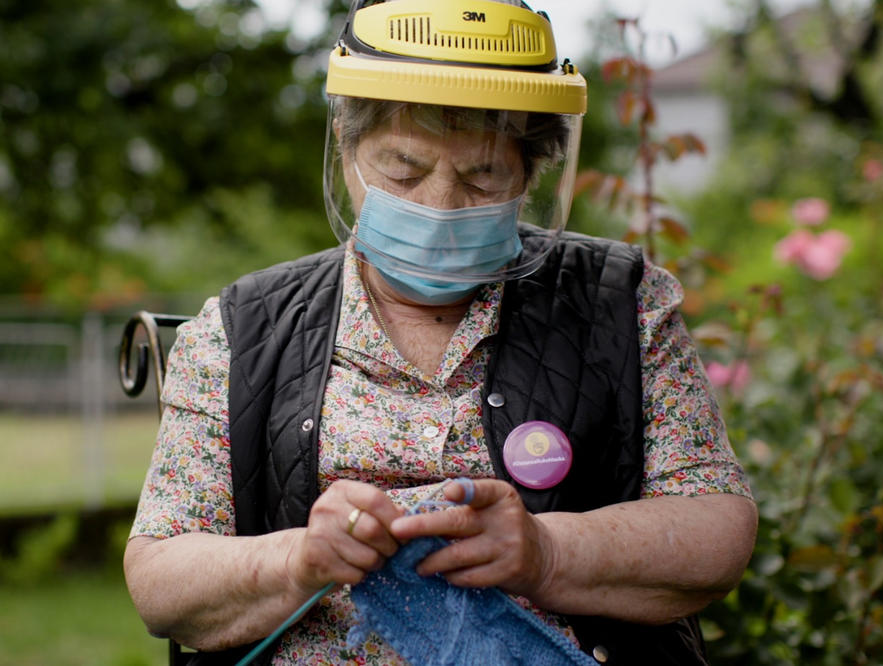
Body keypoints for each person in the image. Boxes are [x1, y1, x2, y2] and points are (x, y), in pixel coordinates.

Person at [123, 1, 758, 664]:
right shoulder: (239, 330)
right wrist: (300, 558)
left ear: (530, 172)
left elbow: (716, 530)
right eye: (403, 170)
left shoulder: (621, 305)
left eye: (483, 175)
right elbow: (161, 581)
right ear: (347, 147)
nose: (439, 206)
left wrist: (547, 553)